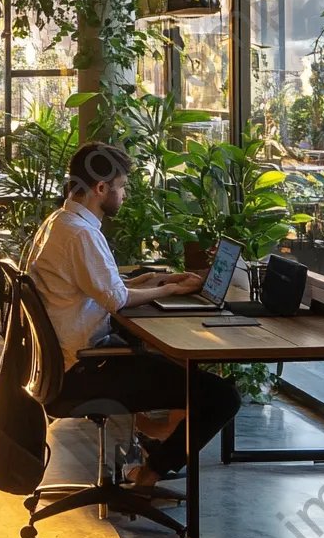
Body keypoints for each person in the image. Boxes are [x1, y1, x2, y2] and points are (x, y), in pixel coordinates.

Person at [26, 141, 241, 488]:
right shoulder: (81, 235)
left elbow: (103, 285)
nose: (124, 194)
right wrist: (170, 290)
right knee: (221, 396)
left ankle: (153, 443)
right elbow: (117, 299)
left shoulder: (61, 222)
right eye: (122, 186)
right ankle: (149, 474)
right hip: (83, 371)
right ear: (100, 189)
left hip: (61, 366)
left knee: (167, 364)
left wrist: (156, 278)